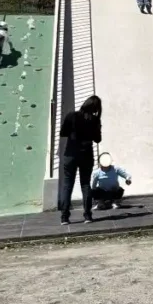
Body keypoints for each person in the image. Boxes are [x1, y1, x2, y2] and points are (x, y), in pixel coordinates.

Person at [58, 95, 102, 225]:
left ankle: (65, 217)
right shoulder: (95, 120)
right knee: (85, 184)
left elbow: (63, 133)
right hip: (86, 155)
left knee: (67, 184)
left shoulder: (71, 116)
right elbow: (98, 139)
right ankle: (87, 215)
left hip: (70, 154)